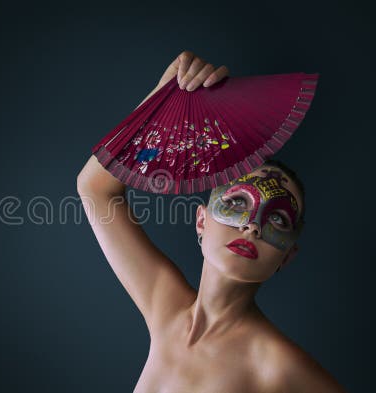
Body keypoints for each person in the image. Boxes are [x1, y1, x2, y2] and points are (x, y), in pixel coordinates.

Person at [76, 51, 346, 393]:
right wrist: (164, 98)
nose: (251, 226)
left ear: (288, 254)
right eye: (236, 202)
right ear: (201, 221)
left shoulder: (274, 364)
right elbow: (95, 189)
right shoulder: (166, 307)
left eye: (277, 217)